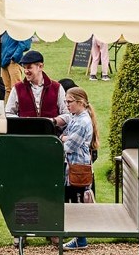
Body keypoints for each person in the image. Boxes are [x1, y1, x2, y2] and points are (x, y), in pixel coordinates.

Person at [54, 87, 99, 250]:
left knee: (78, 205)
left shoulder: (82, 122)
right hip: (72, 168)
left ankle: (81, 240)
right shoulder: (75, 116)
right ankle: (79, 239)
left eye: (69, 102)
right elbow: (64, 137)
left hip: (79, 170)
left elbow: (69, 146)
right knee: (73, 203)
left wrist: (63, 139)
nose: (66, 105)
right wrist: (64, 137)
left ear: (80, 102)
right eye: (66, 101)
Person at [6, 50, 68, 119]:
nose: (26, 71)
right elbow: (8, 113)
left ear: (40, 66)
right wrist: (23, 122)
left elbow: (67, 114)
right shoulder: (17, 88)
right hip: (25, 129)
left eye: (29, 67)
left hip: (50, 129)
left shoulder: (57, 87)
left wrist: (53, 121)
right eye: (24, 67)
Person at [0, 33, 33, 102]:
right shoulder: (5, 30)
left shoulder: (18, 27)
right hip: (3, 61)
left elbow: (25, 44)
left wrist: (14, 58)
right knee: (7, 89)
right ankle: (7, 110)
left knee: (16, 88)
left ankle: (19, 110)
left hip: (13, 62)